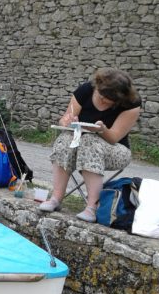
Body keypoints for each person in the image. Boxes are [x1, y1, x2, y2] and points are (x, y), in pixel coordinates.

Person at [39, 68, 142, 222]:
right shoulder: (85, 90)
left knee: (90, 141)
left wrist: (102, 130)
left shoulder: (132, 103)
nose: (103, 101)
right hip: (78, 142)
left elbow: (114, 137)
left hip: (116, 150)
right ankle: (56, 198)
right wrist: (67, 122)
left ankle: (92, 207)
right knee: (65, 138)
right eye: (101, 96)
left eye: (108, 100)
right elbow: (64, 118)